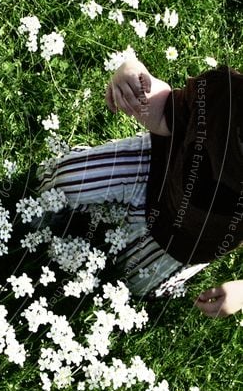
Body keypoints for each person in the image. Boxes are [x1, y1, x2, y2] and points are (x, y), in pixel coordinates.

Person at [38, 56, 243, 317]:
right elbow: (168, 113)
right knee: (55, 182)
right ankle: (33, 226)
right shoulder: (224, 92)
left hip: (179, 241)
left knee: (127, 284)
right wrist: (137, 81)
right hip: (151, 167)